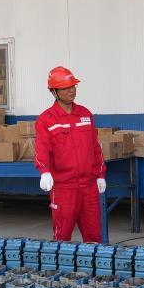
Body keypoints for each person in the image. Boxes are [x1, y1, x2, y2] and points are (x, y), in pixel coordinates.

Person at [34, 66, 106, 242]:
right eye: (66, 87)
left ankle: (93, 261)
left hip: (89, 186)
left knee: (94, 236)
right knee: (62, 236)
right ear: (54, 92)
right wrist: (44, 172)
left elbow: (96, 148)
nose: (72, 90)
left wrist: (100, 175)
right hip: (64, 188)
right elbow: (41, 149)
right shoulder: (46, 119)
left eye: (73, 86)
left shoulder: (85, 114)